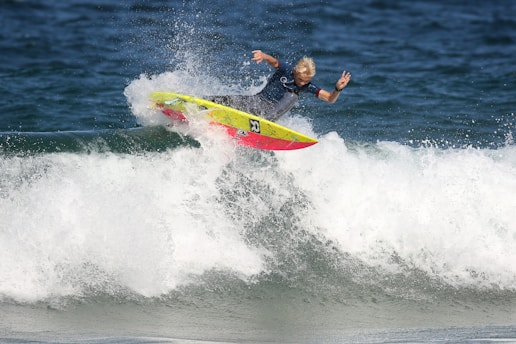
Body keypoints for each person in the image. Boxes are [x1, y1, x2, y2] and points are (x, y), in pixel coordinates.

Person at [209, 50, 351, 122]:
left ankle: (265, 124)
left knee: (293, 95)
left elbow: (330, 98)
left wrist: (338, 88)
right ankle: (199, 103)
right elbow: (274, 62)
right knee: (227, 100)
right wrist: (263, 56)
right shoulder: (287, 70)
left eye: (306, 81)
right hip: (257, 101)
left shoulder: (306, 86)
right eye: (301, 79)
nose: (303, 83)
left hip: (271, 112)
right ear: (295, 72)